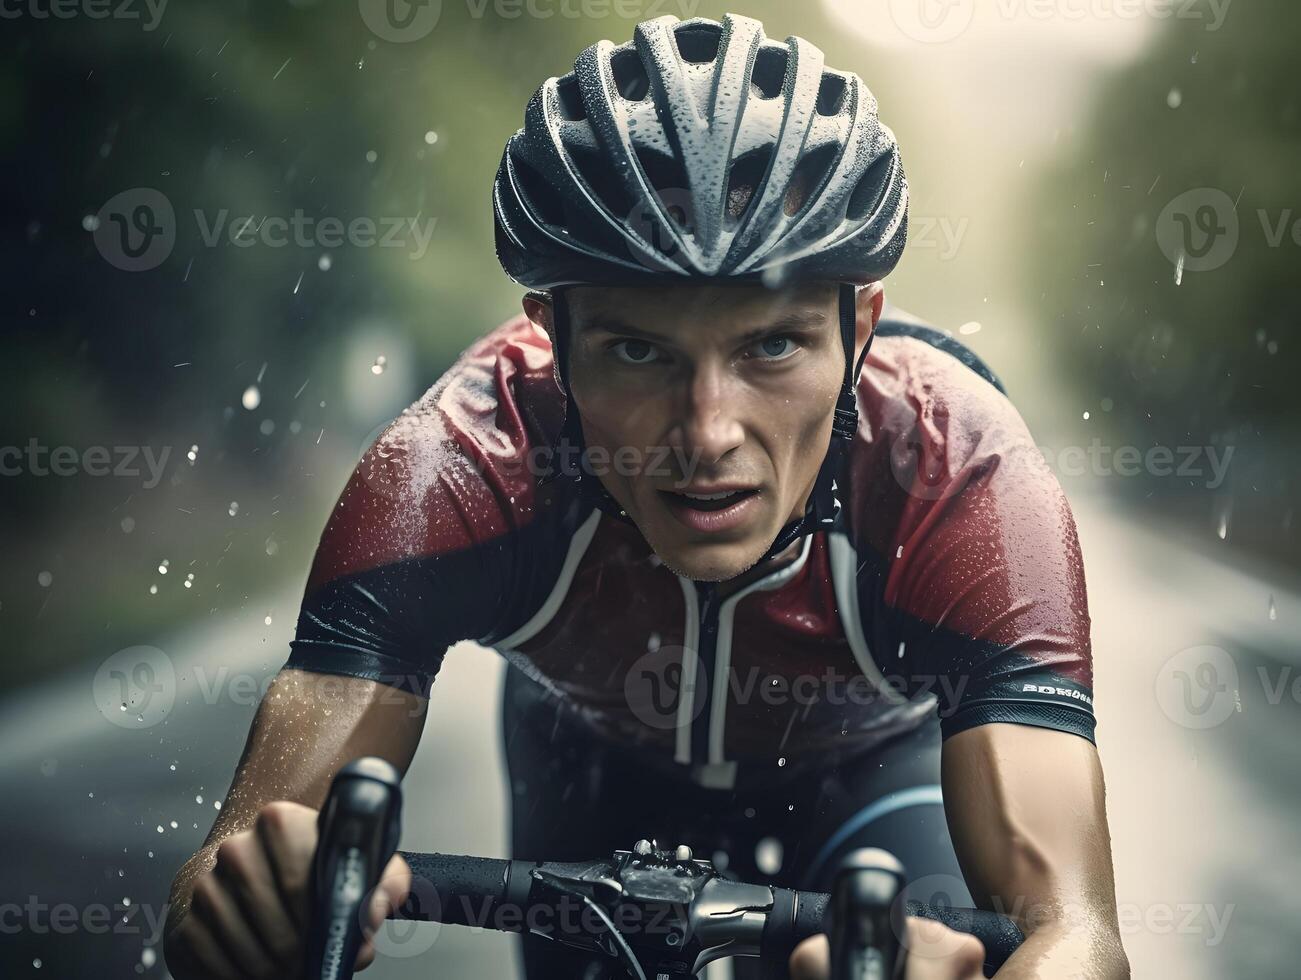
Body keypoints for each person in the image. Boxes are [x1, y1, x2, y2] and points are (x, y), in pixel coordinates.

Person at [164, 13, 1129, 980]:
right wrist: (246, 908)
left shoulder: (956, 473)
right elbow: (234, 861)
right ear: (550, 333)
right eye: (636, 349)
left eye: (772, 345)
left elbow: (1077, 934)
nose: (707, 433)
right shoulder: (459, 462)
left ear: (860, 327)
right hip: (589, 758)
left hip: (869, 769)